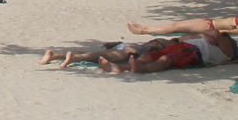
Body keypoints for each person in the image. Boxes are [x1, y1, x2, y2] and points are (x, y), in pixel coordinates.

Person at [98, 29, 236, 73]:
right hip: (184, 46)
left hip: (193, 52)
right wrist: (202, 35)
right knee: (149, 56)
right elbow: (182, 38)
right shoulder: (212, 43)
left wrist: (205, 34)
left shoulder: (226, 52)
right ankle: (119, 67)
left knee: (166, 60)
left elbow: (217, 33)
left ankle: (138, 69)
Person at [125, 5, 238, 36]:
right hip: (209, 22)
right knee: (176, 25)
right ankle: (146, 28)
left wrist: (209, 33)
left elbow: (229, 32)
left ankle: (144, 30)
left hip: (209, 25)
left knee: (175, 26)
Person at [39, 39, 170, 68]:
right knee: (103, 55)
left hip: (126, 45)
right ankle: (74, 58)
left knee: (95, 53)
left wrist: (113, 44)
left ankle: (54, 55)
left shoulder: (159, 41)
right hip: (133, 49)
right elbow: (152, 53)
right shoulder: (167, 44)